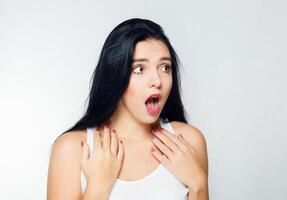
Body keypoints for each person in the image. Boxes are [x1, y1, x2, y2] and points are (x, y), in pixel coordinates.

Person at [47, 18, 209, 200]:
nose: (157, 81)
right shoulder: (72, 149)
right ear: (115, 74)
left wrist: (199, 185)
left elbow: (199, 188)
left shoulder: (189, 142)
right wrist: (97, 188)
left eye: (165, 67)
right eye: (139, 69)